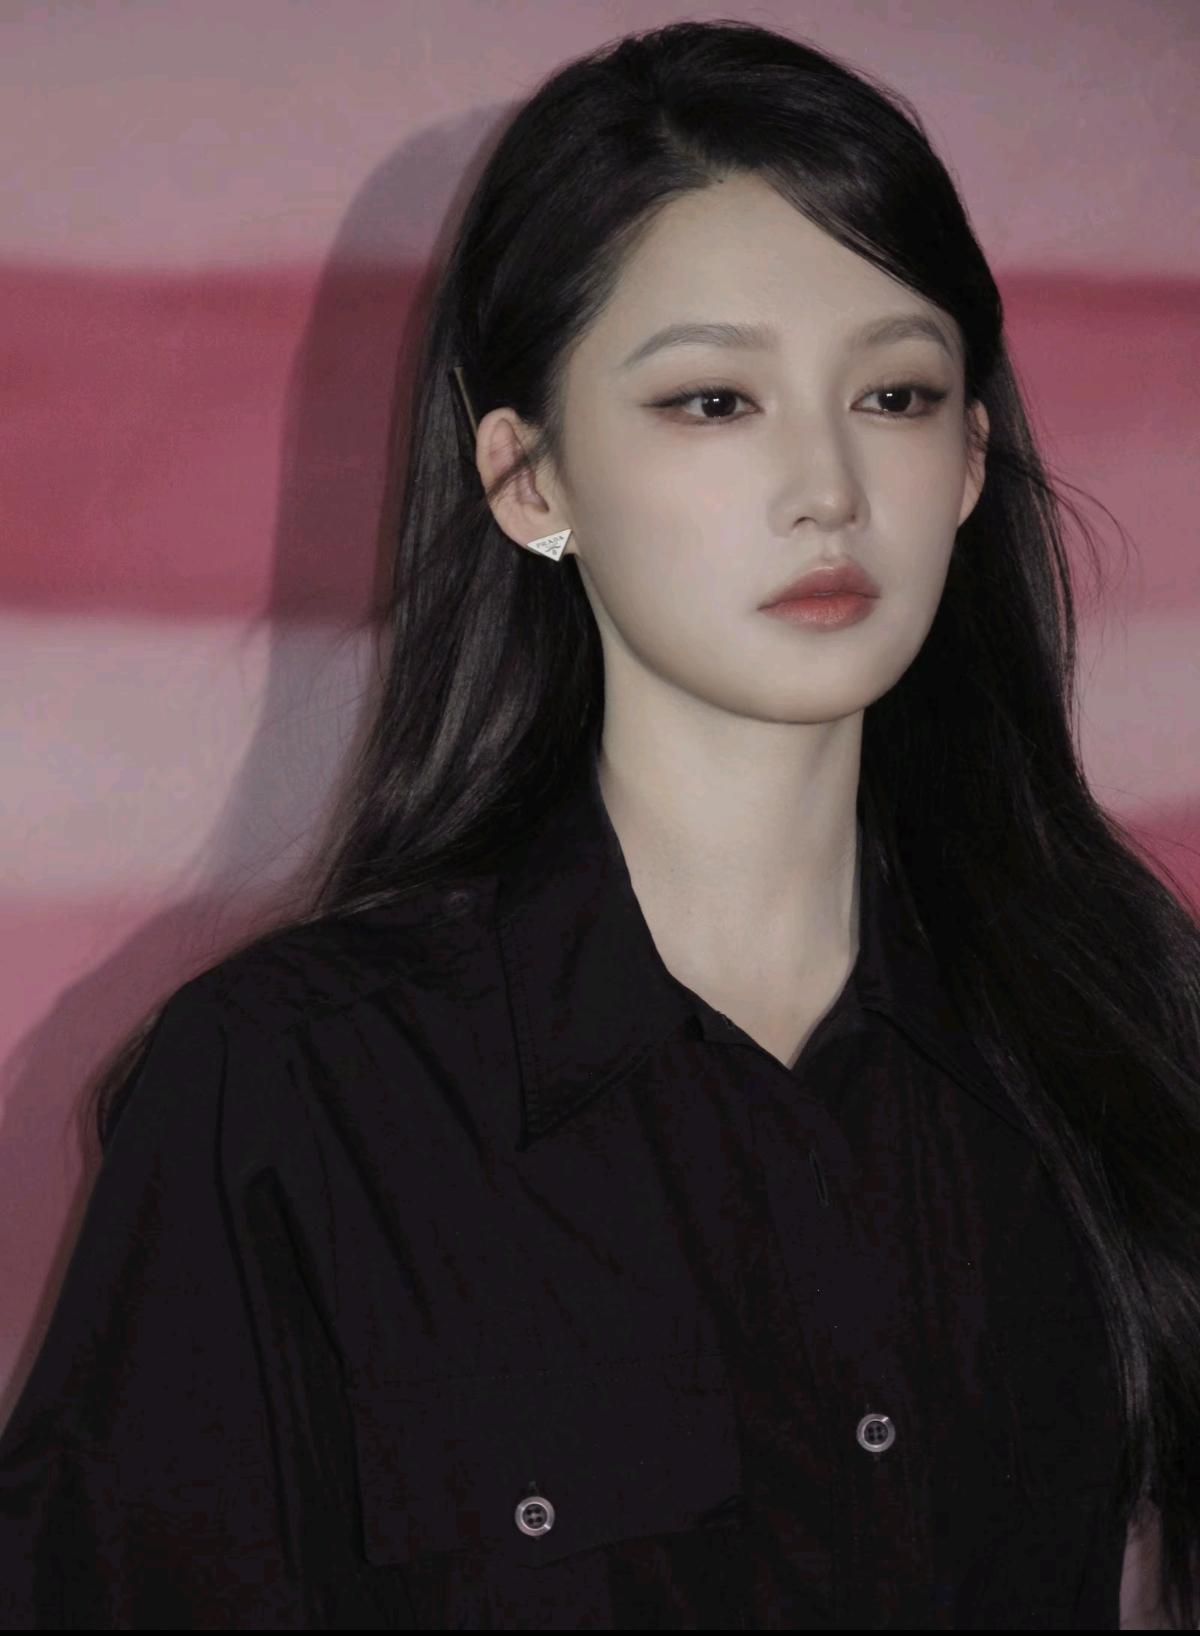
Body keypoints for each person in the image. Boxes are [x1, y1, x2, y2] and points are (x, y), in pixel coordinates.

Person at [2, 16, 1198, 1629]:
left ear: (972, 460)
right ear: (528, 479)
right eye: (713, 400)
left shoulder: (1116, 1031)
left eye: (896, 392)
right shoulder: (292, 1094)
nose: (829, 487)